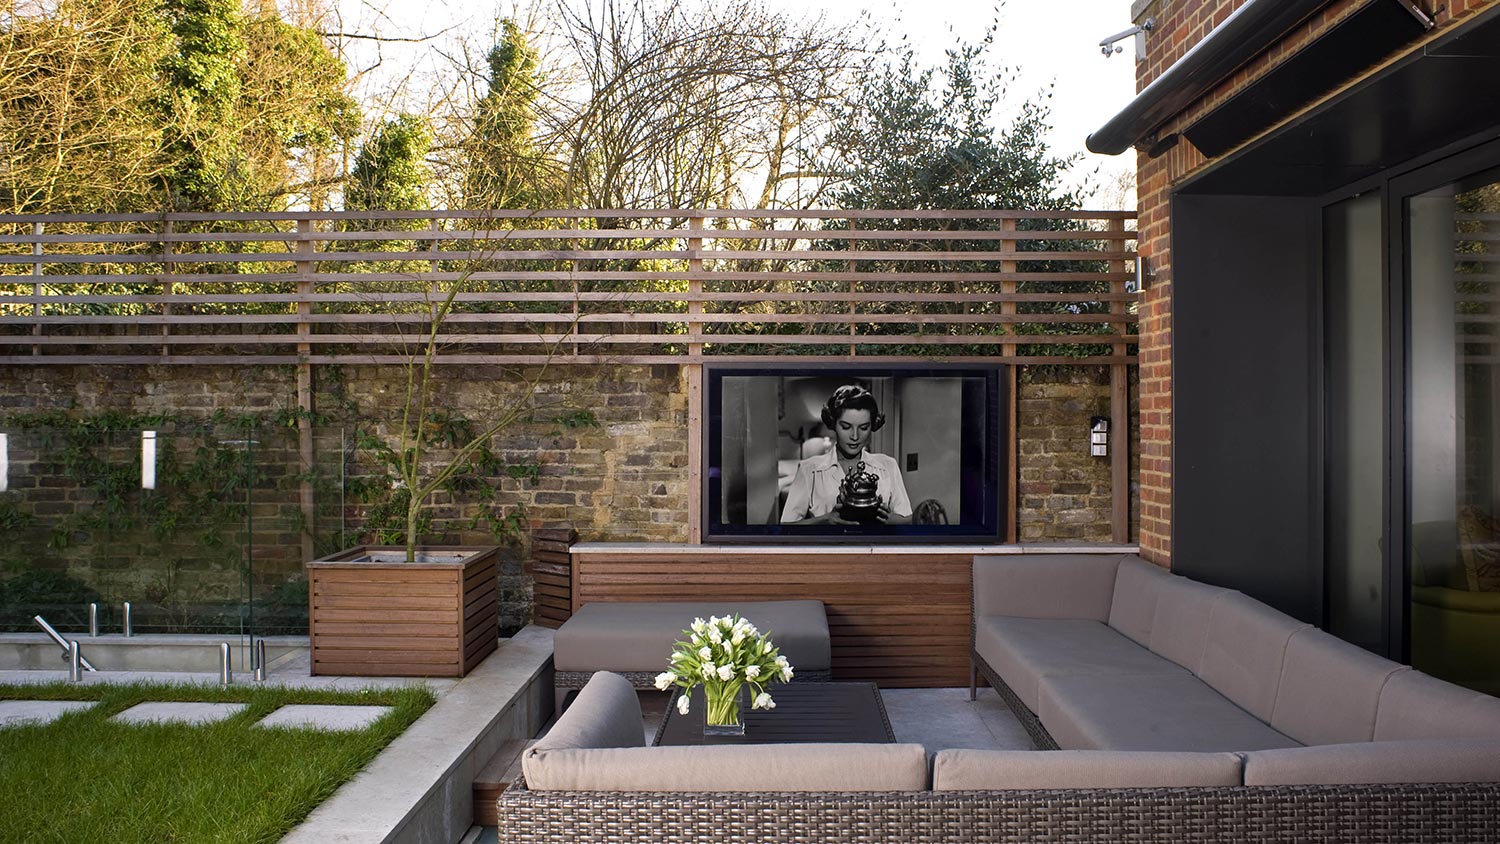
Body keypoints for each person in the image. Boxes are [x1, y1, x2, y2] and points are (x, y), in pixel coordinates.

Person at [781, 384, 912, 525]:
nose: (855, 436)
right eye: (846, 427)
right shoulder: (809, 470)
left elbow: (907, 519)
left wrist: (888, 520)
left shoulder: (888, 465)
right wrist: (825, 520)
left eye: (863, 427)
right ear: (834, 424)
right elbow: (787, 526)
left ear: (872, 426)